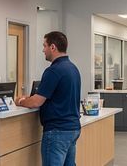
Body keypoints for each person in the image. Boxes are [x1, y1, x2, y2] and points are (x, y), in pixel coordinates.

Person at [17, 31, 82, 166]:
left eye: (44, 46)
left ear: (53, 47)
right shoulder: (73, 68)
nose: (43, 50)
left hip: (57, 131)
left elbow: (36, 102)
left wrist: (21, 101)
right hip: (72, 128)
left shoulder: (54, 70)